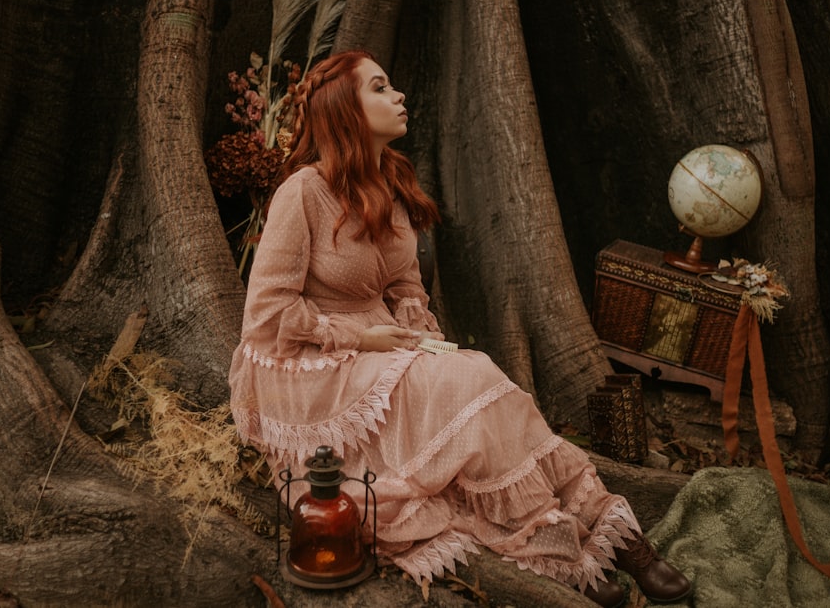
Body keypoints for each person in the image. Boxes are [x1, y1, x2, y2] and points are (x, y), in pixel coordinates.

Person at [228, 50, 690, 607]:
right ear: (345, 109)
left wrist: (412, 325)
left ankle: (620, 540)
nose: (398, 97)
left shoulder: (390, 186)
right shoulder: (302, 192)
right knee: (476, 377)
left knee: (486, 388)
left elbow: (404, 288)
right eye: (379, 88)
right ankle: (563, 555)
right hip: (306, 364)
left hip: (384, 348)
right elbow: (267, 313)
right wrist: (360, 338)